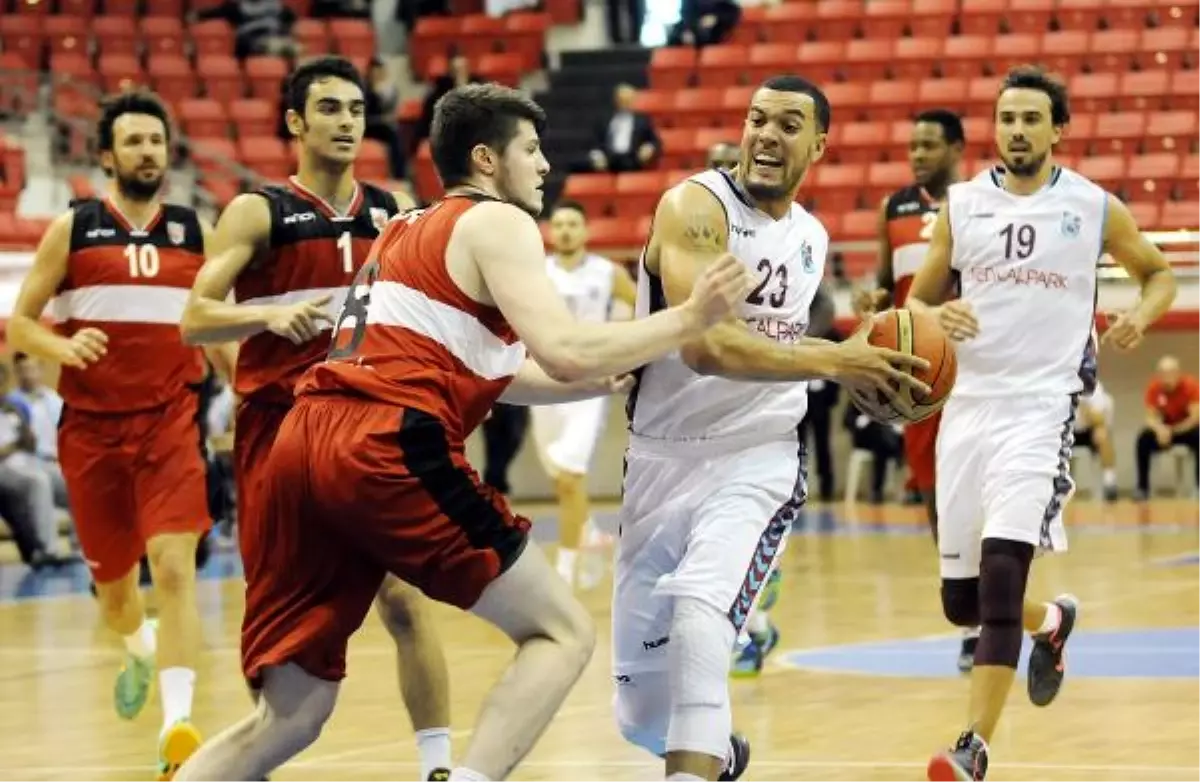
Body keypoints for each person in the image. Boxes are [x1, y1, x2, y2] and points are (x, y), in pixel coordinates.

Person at [174, 82, 750, 782]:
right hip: (384, 443)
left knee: (294, 712)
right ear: (486, 159)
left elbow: (506, 372)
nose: (544, 168)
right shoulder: (499, 224)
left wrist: (611, 374)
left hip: (301, 442)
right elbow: (564, 348)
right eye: (531, 151)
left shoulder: (403, 229)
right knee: (562, 633)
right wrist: (691, 318)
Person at [612, 74, 931, 782]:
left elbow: (776, 349)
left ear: (818, 144)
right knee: (639, 715)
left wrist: (864, 359)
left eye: (788, 124)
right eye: (757, 118)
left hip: (756, 462)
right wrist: (836, 358)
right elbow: (706, 347)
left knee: (702, 617)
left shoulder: (811, 236)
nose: (765, 134)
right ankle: (719, 755)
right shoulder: (695, 208)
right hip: (658, 460)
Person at [178, 56, 454, 782]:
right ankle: (257, 758)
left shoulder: (393, 213)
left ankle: (440, 766)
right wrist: (268, 313)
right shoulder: (257, 211)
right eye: (329, 109)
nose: (346, 123)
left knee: (403, 596)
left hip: (364, 428)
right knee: (275, 618)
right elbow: (194, 318)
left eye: (356, 110)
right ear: (296, 122)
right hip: (277, 433)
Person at [906, 66, 1177, 781]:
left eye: (1031, 119)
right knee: (961, 603)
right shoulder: (961, 206)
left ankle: (973, 747)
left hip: (1041, 408)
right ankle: (1051, 623)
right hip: (967, 408)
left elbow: (1158, 272)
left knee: (997, 583)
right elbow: (914, 305)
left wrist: (1140, 317)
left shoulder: (1092, 206)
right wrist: (936, 315)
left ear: (1059, 129)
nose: (1017, 131)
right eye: (1007, 119)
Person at [5, 88, 237, 780]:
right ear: (106, 156)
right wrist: (58, 349)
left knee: (174, 569)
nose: (148, 152)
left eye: (157, 141)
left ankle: (177, 730)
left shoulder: (193, 231)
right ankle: (138, 646)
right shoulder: (72, 229)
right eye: (134, 142)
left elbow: (211, 323)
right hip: (91, 436)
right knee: (114, 594)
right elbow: (19, 324)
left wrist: (249, 387)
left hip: (169, 425)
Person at [853, 108, 979, 673]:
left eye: (929, 145)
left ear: (957, 148)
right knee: (934, 493)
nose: (918, 154)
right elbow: (884, 284)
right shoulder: (894, 207)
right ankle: (969, 610)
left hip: (977, 361)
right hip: (919, 369)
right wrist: (870, 302)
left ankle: (994, 599)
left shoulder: (982, 201)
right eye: (913, 145)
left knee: (983, 490)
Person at [531, 199, 636, 590]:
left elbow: (638, 305)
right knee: (559, 477)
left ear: (586, 230)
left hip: (589, 383)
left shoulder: (606, 272)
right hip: (543, 381)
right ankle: (587, 529)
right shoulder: (536, 273)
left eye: (573, 223)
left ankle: (565, 568)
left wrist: (620, 336)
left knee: (572, 475)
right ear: (550, 231)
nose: (565, 231)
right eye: (558, 224)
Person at [1134, 355, 1200, 499]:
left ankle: (1198, 487)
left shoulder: (1190, 386)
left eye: (1170, 373)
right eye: (1163, 374)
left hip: (1185, 430)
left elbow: (1195, 418)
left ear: (1177, 373)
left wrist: (1173, 431)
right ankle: (1142, 488)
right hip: (1164, 432)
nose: (1166, 378)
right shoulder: (1154, 387)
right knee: (1143, 439)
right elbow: (1150, 417)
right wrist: (1159, 429)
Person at [1072, 378, 1118, 501]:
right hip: (1065, 431)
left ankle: (1109, 481)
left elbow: (1099, 418)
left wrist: (1085, 408)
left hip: (1087, 430)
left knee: (1102, 433)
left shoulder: (1093, 386)